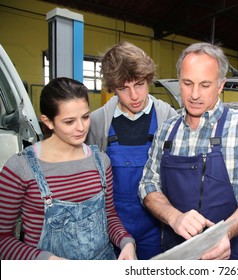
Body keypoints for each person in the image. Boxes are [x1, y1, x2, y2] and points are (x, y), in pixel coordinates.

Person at [138, 42, 238, 260]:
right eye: (187, 83)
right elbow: (148, 184)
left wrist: (223, 233)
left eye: (205, 85)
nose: (194, 94)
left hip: (228, 252)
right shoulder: (167, 130)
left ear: (221, 85)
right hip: (175, 252)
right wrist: (174, 217)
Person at [0, 77, 136, 260]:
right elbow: (3, 239)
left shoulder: (101, 161)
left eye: (85, 117)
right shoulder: (20, 168)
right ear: (48, 122)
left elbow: (109, 216)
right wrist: (45, 260)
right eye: (69, 121)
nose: (81, 128)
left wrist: (126, 242)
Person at [86, 41, 178, 259]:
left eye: (139, 84)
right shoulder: (98, 122)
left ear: (148, 79)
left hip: (157, 226)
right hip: (112, 226)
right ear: (112, 88)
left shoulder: (169, 118)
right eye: (123, 88)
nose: (134, 95)